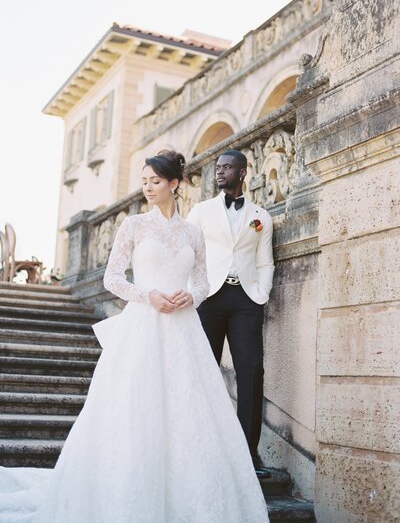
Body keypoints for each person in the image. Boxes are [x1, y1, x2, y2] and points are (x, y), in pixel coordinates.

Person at [0, 150, 269, 523]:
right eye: (144, 181)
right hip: (143, 325)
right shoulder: (134, 226)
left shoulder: (193, 231)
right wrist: (148, 295)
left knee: (189, 411)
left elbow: (204, 279)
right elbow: (113, 278)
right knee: (134, 409)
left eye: (155, 181)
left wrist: (193, 295)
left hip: (183, 327)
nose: (148, 187)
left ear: (174, 184)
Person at [187, 149, 274, 476]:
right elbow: (188, 253)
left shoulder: (260, 216)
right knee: (202, 372)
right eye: (218, 167)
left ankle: (247, 453)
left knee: (251, 373)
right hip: (208, 298)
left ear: (242, 172)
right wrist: (191, 294)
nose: (220, 172)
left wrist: (260, 296)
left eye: (227, 167)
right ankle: (201, 447)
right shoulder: (201, 211)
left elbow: (266, 261)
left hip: (245, 301)